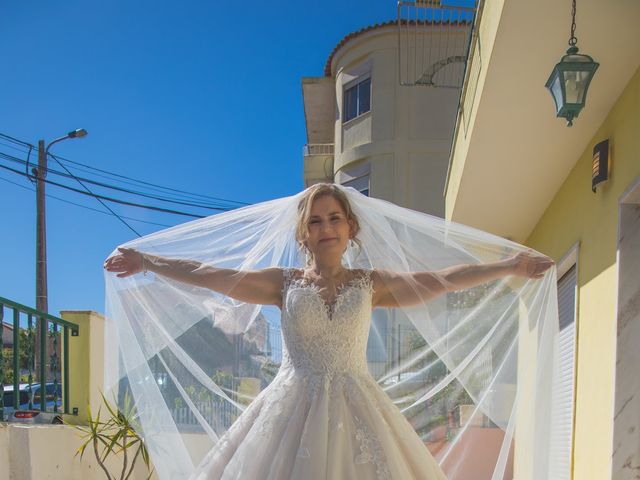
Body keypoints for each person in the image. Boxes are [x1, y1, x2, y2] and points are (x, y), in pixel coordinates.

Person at [103, 183, 555, 480]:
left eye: (334, 218)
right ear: (303, 233)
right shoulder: (283, 284)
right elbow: (209, 273)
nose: (326, 228)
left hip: (359, 408)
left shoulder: (371, 284)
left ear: (350, 228)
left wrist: (508, 265)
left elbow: (438, 280)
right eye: (315, 221)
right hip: (289, 412)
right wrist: (147, 261)